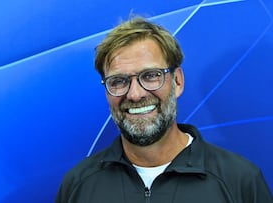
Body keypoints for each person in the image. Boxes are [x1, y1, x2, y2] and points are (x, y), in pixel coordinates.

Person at [55, 16, 273, 203]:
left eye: (150, 76)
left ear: (177, 82)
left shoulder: (239, 181)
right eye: (119, 81)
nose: (135, 94)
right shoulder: (78, 185)